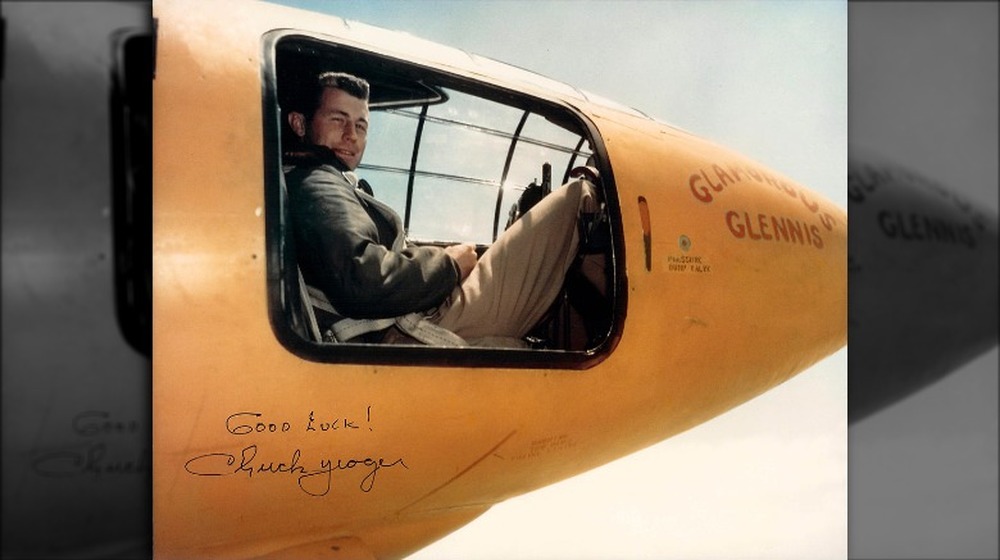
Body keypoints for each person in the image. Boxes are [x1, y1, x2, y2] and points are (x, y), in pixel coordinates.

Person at [283, 71, 599, 347]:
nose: (351, 136)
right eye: (338, 120)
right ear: (299, 123)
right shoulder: (316, 179)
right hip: (411, 326)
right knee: (577, 197)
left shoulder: (321, 181)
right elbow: (364, 277)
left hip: (409, 318)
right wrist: (448, 264)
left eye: (361, 125)